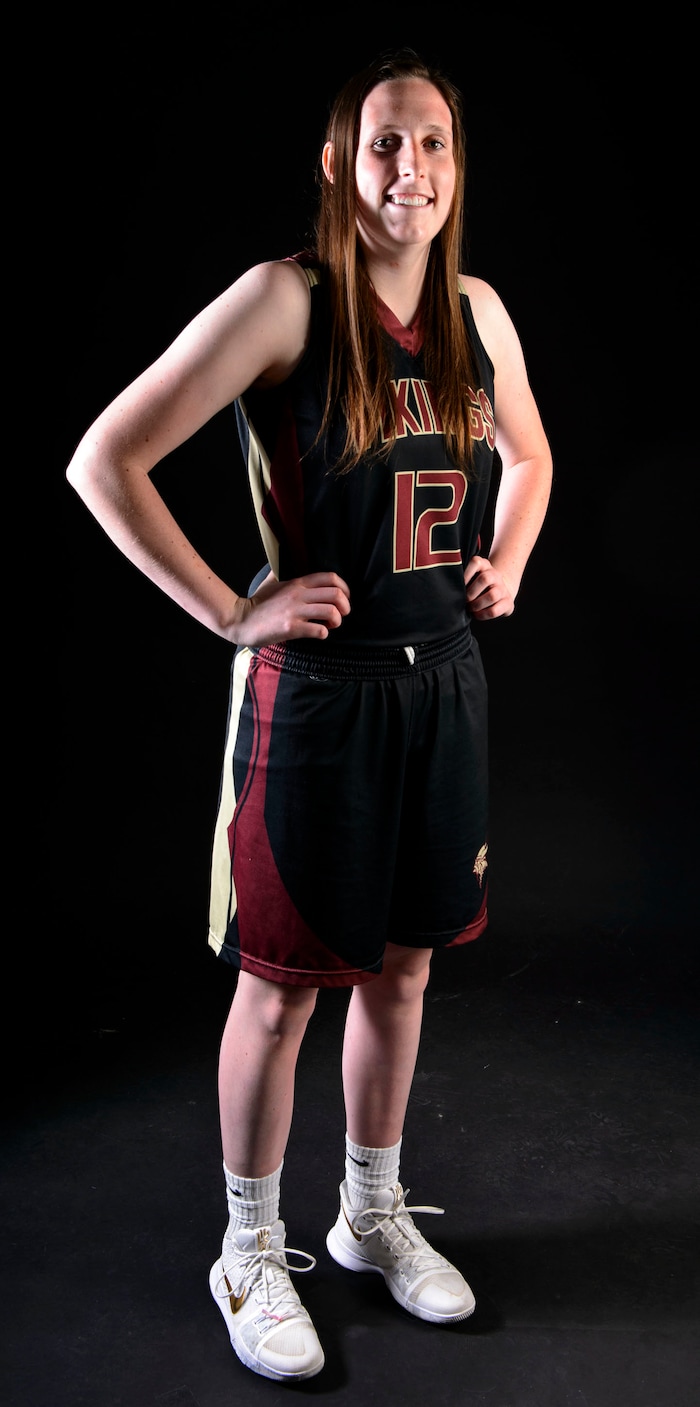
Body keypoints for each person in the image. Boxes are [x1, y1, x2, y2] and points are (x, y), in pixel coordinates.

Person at [66, 48, 552, 1384]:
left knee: (404, 969)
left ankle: (370, 1215)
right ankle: (247, 1247)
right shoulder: (284, 303)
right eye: (388, 145)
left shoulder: (479, 315)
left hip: (442, 683)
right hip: (318, 702)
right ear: (343, 165)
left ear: (460, 164)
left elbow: (532, 454)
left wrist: (507, 557)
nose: (415, 170)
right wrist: (232, 609)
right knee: (281, 995)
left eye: (437, 144)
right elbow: (104, 457)